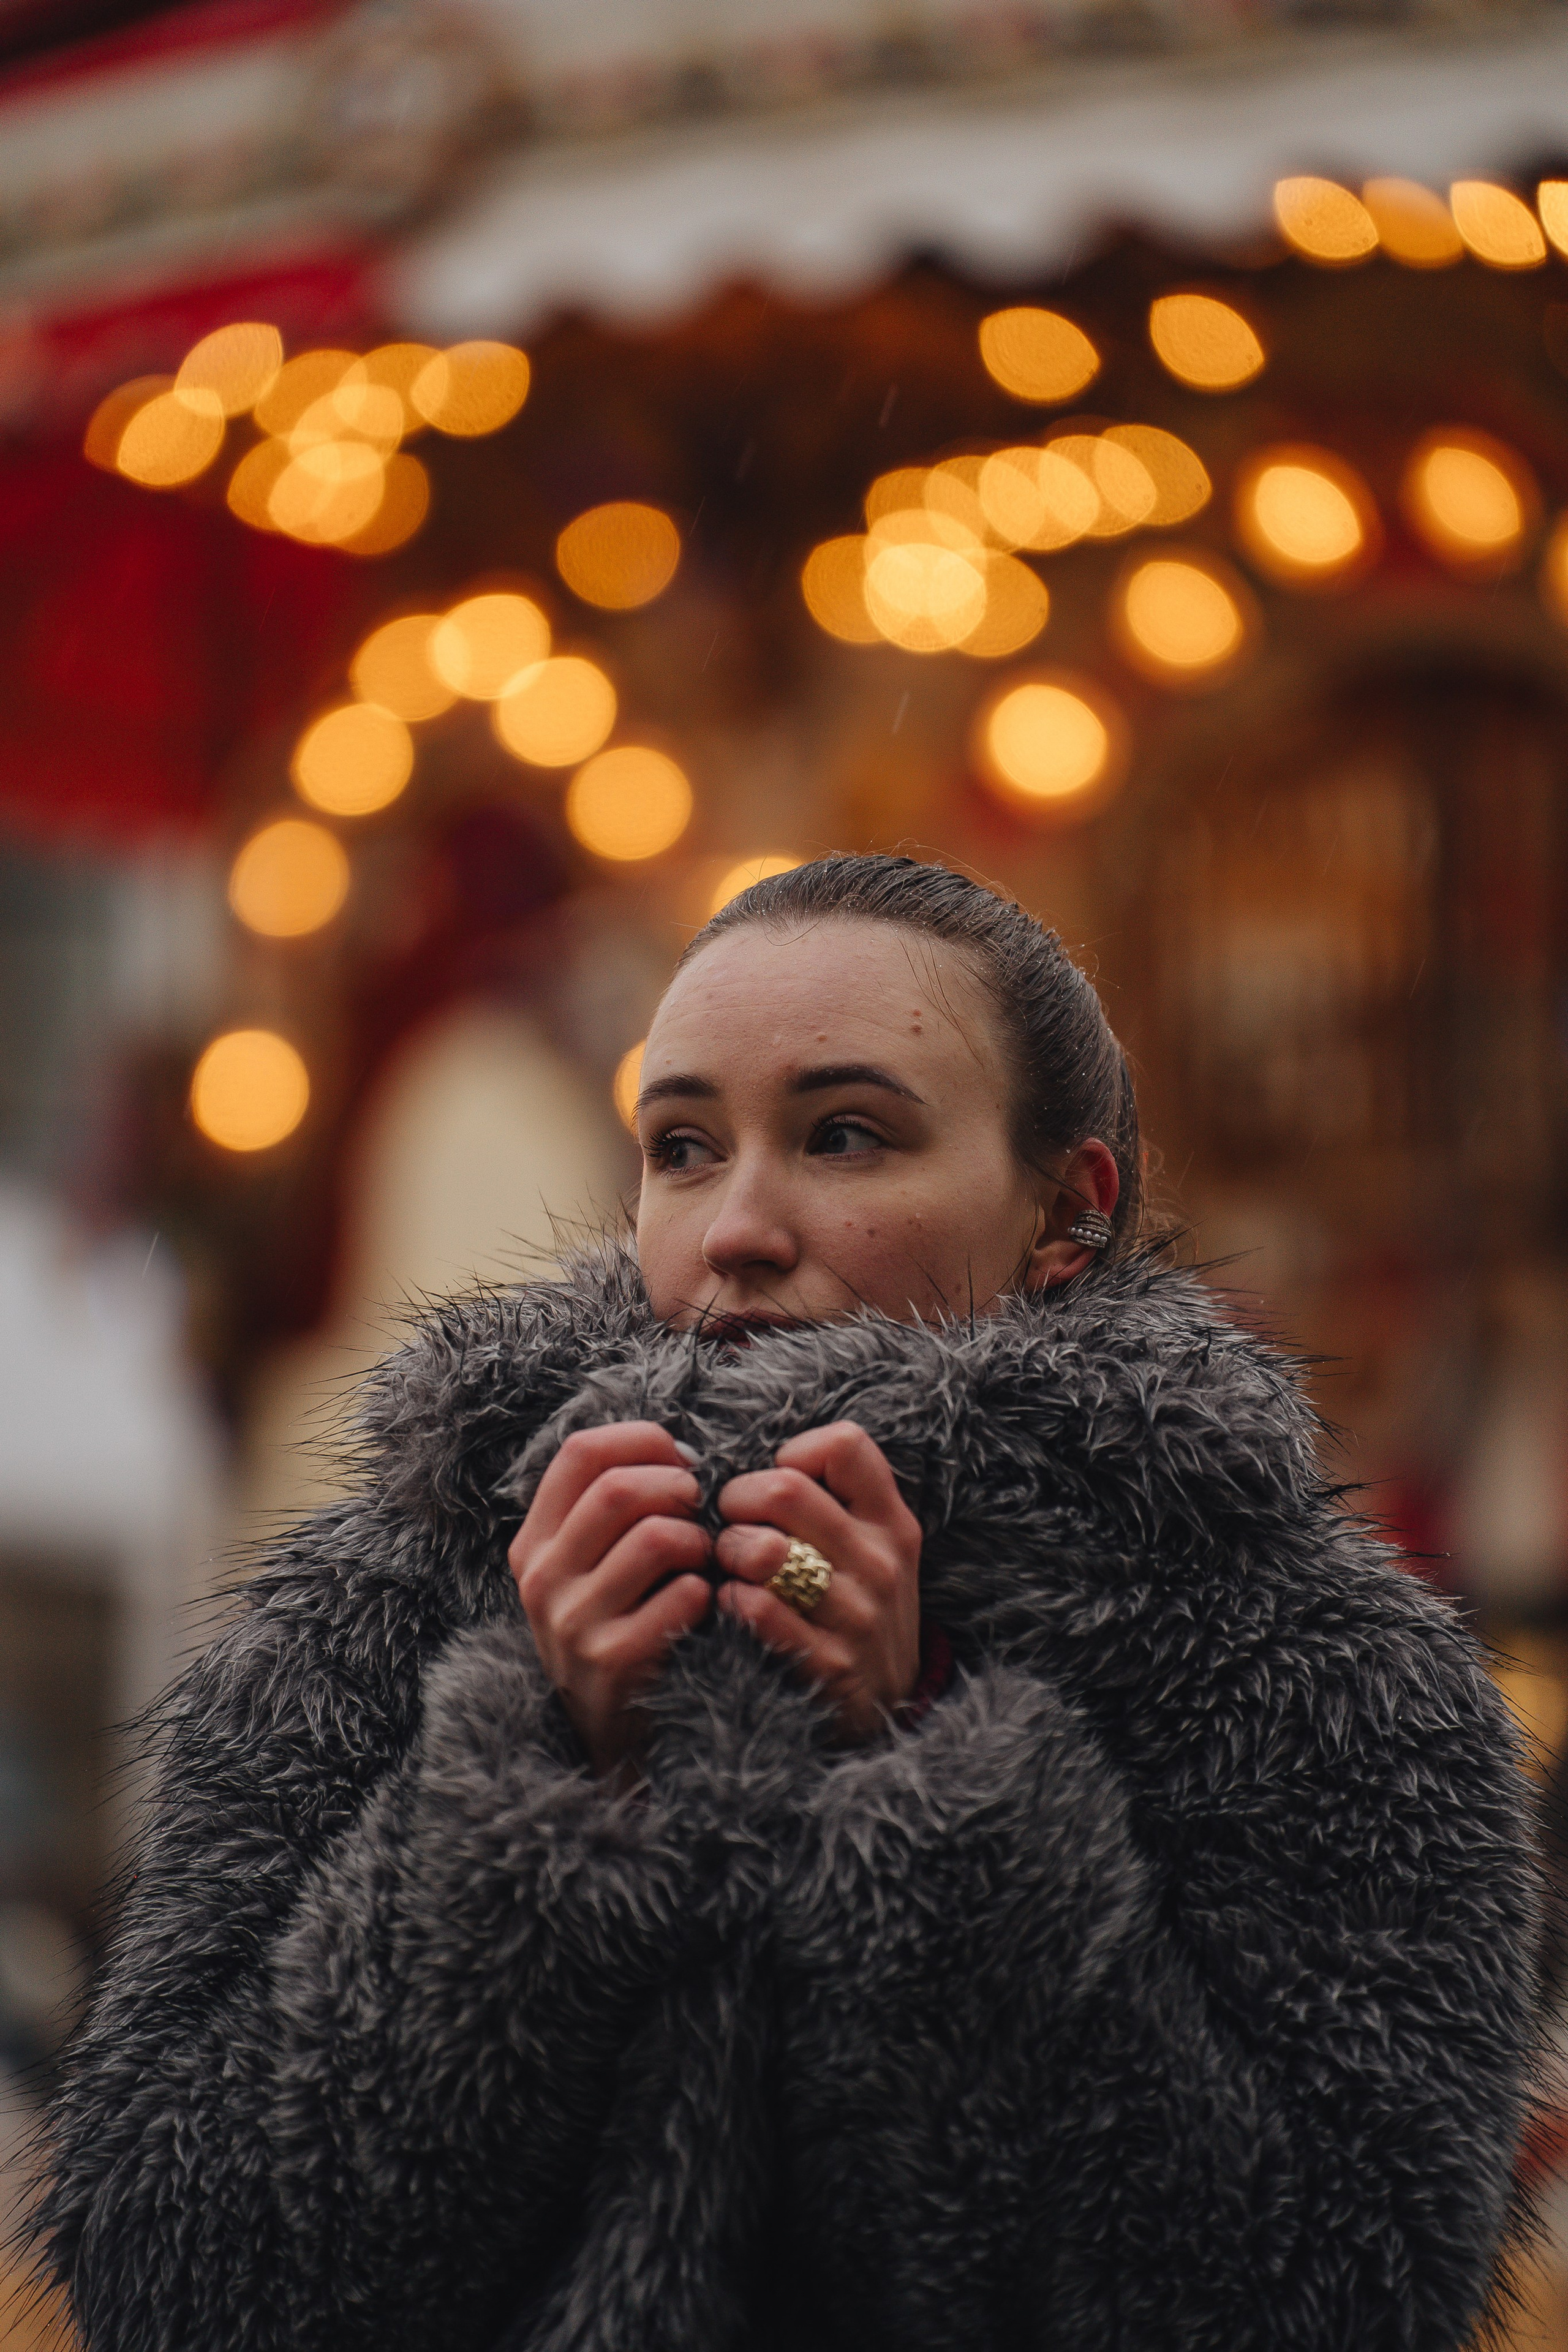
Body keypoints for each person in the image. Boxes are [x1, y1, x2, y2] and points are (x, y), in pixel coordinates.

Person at [34, 854, 1538, 2351]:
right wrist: (535, 1793)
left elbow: (1328, 2293)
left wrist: (931, 1782)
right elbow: (180, 2280)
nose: (736, 1227)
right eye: (683, 1147)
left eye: (844, 1136)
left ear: (1065, 1212)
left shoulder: (1312, 1677)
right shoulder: (383, 1610)